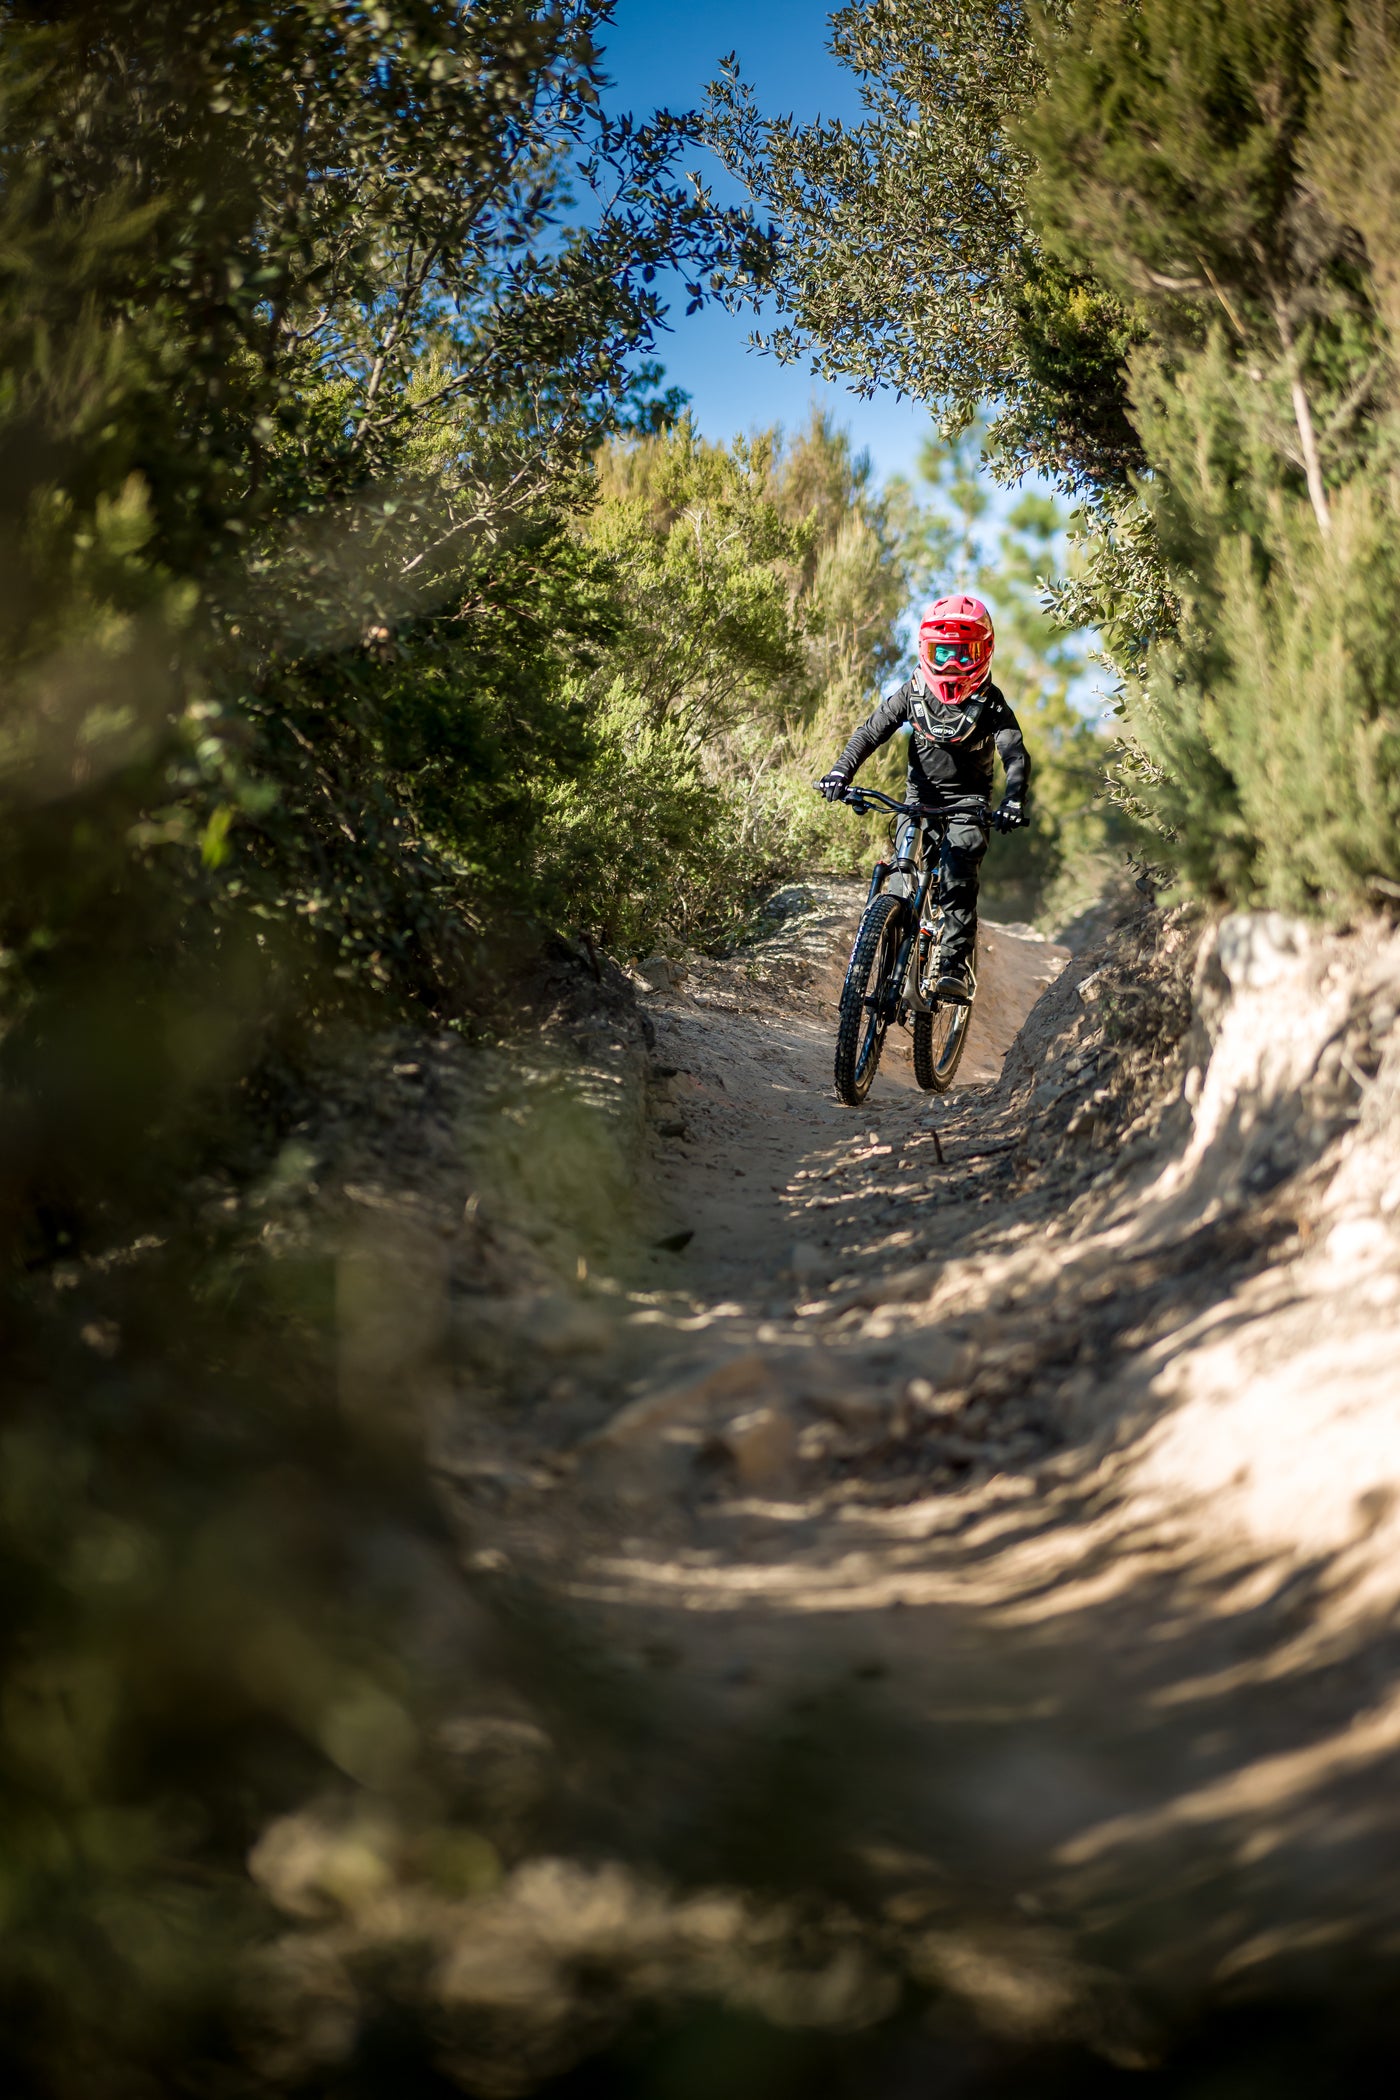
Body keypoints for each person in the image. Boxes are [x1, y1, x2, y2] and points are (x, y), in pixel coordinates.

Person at [817, 594, 1030, 1004]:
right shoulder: (912, 690)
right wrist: (841, 772)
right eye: (941, 652)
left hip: (968, 802)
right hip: (918, 799)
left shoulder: (992, 703)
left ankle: (953, 966)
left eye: (962, 654)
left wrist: (1014, 799)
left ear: (983, 653)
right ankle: (881, 946)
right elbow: (869, 732)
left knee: (958, 875)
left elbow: (1015, 754)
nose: (951, 665)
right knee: (902, 871)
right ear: (924, 650)